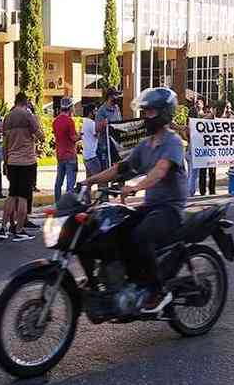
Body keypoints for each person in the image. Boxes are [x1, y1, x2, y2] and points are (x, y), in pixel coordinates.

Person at [84, 87, 187, 314]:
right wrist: (90, 181)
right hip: (151, 206)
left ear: (163, 113)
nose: (145, 116)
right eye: (145, 111)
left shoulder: (173, 142)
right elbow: (121, 167)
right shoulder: (146, 143)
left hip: (170, 209)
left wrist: (135, 186)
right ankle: (130, 283)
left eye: (149, 112)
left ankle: (157, 291)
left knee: (141, 236)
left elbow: (160, 171)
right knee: (117, 230)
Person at [0, 92, 45, 241]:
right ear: (26, 102)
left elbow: (4, 144)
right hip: (26, 162)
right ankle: (19, 230)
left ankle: (3, 228)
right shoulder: (27, 116)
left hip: (12, 161)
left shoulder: (8, 117)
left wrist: (5, 162)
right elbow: (41, 136)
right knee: (23, 197)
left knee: (12, 195)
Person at [53, 97, 79, 202]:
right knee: (70, 183)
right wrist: (80, 135)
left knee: (58, 182)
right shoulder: (70, 121)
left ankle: (57, 203)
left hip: (60, 154)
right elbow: (73, 138)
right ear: (70, 107)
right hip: (70, 155)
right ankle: (68, 205)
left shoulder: (55, 121)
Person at [95, 87, 123, 171]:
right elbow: (96, 129)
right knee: (105, 171)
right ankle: (104, 184)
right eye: (116, 95)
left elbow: (120, 123)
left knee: (118, 171)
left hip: (115, 145)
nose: (118, 98)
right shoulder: (101, 111)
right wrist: (103, 124)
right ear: (110, 97)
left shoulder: (117, 108)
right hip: (105, 146)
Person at [81, 104, 100, 200]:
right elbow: (97, 134)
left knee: (89, 180)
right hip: (92, 155)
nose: (96, 113)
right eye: (95, 111)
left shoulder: (83, 122)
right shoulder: (92, 123)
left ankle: (86, 200)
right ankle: (102, 200)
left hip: (86, 155)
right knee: (101, 179)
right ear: (90, 112)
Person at [199, 105, 217, 195]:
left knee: (212, 173)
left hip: (212, 152)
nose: (208, 114)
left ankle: (212, 190)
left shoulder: (215, 123)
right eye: (207, 112)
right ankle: (202, 191)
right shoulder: (199, 122)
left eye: (209, 112)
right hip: (202, 151)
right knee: (202, 173)